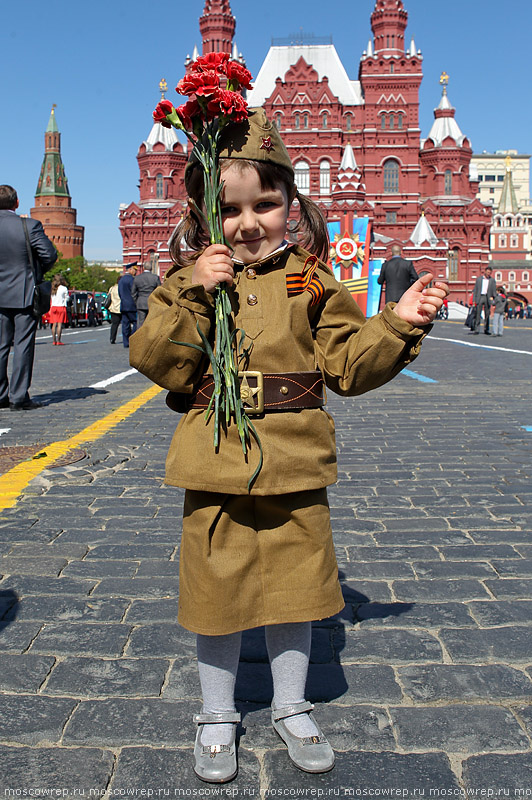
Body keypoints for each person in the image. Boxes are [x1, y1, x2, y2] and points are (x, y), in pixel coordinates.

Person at [129, 109, 448, 784]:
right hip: (215, 459)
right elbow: (159, 362)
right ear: (208, 213)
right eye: (231, 209)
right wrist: (193, 289)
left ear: (290, 205)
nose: (249, 223)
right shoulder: (189, 281)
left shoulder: (313, 281)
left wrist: (396, 323)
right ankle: (217, 715)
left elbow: (348, 368)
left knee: (298, 593)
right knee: (216, 593)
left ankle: (292, 706)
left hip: (295, 458)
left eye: (265, 205)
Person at [0, 184, 57, 410]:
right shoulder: (29, 226)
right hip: (24, 292)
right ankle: (19, 397)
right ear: (16, 203)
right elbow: (49, 255)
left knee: (1, 346)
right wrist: (35, 271)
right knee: (23, 345)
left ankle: (1, 395)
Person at [118, 263, 138, 348]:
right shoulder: (132, 280)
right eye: (134, 270)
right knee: (136, 322)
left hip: (123, 305)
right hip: (132, 305)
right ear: (130, 270)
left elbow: (119, 293)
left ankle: (126, 342)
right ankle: (132, 338)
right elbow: (134, 292)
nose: (135, 272)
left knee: (125, 324)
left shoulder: (121, 280)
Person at [472, 266, 496, 335]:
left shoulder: (492, 280)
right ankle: (477, 329)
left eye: (490, 273)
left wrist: (494, 299)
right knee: (478, 314)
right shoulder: (479, 279)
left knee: (487, 314)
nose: (489, 274)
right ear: (485, 271)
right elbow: (475, 290)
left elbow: (494, 291)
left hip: (487, 297)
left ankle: (486, 329)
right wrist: (474, 300)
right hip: (480, 297)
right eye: (488, 272)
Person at [49, 274, 69, 345]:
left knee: (54, 324)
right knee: (59, 325)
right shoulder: (64, 288)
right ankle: (58, 340)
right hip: (61, 307)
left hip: (53, 307)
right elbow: (67, 298)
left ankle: (54, 340)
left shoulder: (52, 288)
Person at [107, 278, 122, 344]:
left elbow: (109, 297)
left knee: (114, 324)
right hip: (121, 307)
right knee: (126, 324)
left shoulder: (112, 288)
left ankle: (112, 338)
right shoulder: (122, 287)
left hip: (113, 308)